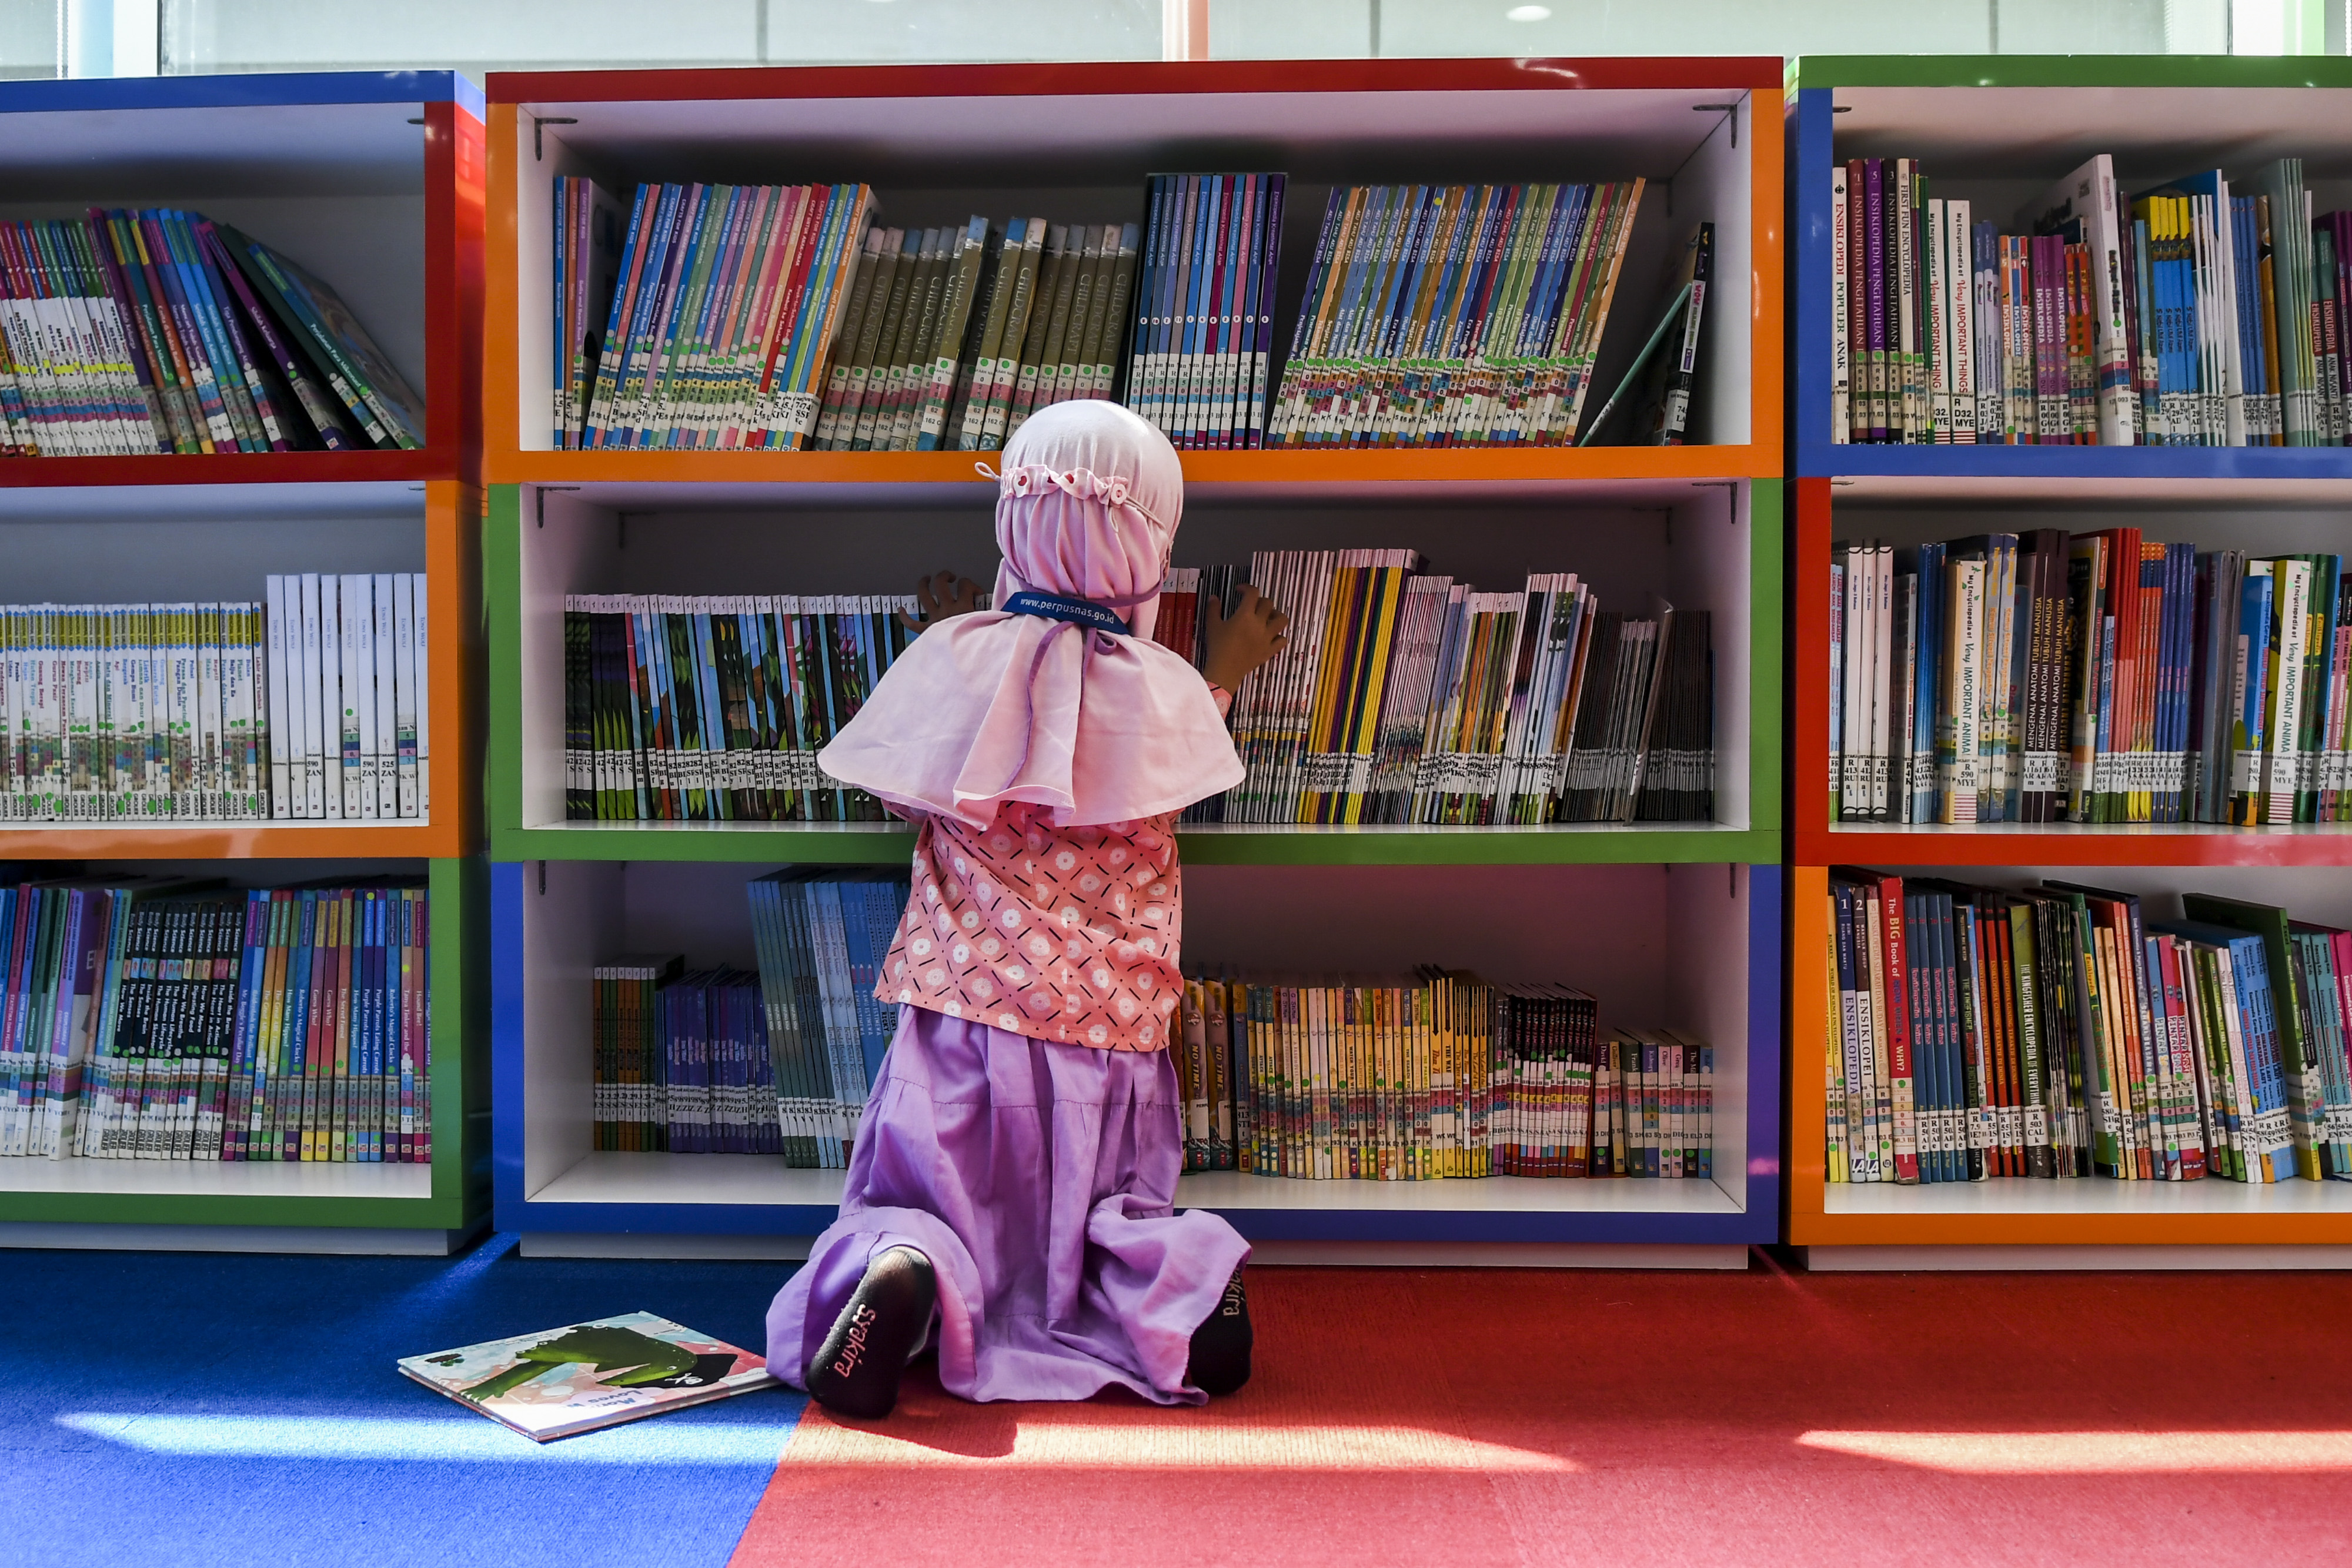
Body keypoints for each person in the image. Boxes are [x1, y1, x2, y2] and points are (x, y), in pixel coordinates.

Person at [764, 398, 1291, 1419]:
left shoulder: (952, 656)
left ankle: (907, 1268)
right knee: (1107, 1214)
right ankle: (1176, 1283)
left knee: (924, 1200)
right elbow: (1181, 768)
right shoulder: (1171, 690)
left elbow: (899, 782)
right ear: (1150, 548)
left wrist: (954, 660)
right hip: (1108, 1032)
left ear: (1010, 519)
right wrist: (1222, 669)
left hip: (960, 1015)